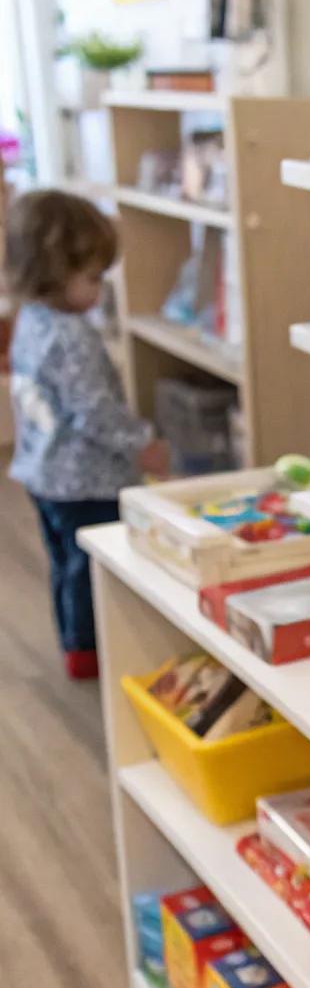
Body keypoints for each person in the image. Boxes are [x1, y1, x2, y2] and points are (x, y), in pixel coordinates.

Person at [4, 189, 168, 679]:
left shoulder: (31, 319)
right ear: (53, 273)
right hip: (85, 480)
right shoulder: (71, 336)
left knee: (63, 561)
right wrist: (144, 443)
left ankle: (73, 641)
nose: (100, 292)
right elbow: (94, 411)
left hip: (43, 474)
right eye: (94, 278)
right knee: (92, 566)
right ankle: (93, 648)